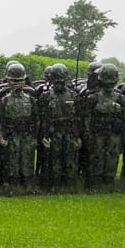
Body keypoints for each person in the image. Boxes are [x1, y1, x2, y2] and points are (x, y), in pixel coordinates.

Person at [0, 62, 38, 195]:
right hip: (11, 134)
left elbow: (36, 119)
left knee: (28, 159)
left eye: (20, 81)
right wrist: (1, 135)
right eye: (14, 81)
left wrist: (35, 136)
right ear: (9, 81)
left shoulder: (30, 98)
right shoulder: (5, 100)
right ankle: (10, 185)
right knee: (11, 160)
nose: (17, 84)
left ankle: (28, 185)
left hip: (27, 134)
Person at [81, 63, 125, 192]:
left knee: (111, 158)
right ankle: (96, 183)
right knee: (98, 158)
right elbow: (87, 119)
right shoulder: (92, 98)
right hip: (98, 134)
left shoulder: (121, 98)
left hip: (113, 134)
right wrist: (88, 135)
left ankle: (108, 183)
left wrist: (123, 136)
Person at [38, 63, 80, 192]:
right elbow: (42, 118)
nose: (59, 84)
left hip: (69, 132)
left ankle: (69, 184)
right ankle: (54, 184)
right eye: (56, 81)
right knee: (53, 159)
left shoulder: (74, 96)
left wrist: (78, 136)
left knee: (70, 158)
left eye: (61, 81)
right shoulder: (45, 96)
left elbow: (79, 117)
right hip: (53, 132)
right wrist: (44, 135)